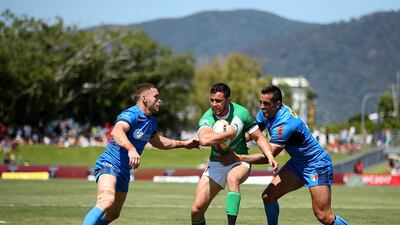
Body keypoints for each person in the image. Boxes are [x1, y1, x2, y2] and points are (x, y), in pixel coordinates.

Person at [219, 85, 348, 225]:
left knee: (323, 216)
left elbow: (269, 156)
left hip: (316, 164)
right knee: (268, 196)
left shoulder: (285, 123)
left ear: (277, 104)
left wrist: (239, 158)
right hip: (298, 164)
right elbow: (254, 133)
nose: (262, 107)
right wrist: (229, 139)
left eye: (266, 103)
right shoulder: (266, 112)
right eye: (260, 102)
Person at [82, 83, 200, 225]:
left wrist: (184, 144)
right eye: (156, 97)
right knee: (106, 200)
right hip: (109, 164)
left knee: (113, 214)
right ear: (144, 98)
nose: (159, 101)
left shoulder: (151, 121)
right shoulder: (131, 114)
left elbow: (158, 142)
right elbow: (117, 131)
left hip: (124, 172)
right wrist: (131, 149)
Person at [191, 83, 278, 225]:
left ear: (228, 100)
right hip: (217, 162)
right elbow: (204, 140)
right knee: (196, 209)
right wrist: (228, 133)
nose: (214, 104)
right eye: (212, 100)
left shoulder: (241, 113)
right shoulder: (208, 117)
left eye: (218, 101)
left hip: (239, 160)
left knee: (232, 178)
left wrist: (269, 154)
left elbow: (258, 137)